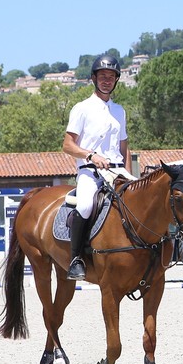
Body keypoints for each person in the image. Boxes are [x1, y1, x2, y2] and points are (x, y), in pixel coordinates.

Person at [61, 54, 133, 281]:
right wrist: (90, 155)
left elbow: (125, 148)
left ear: (116, 80)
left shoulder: (119, 111)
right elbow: (68, 145)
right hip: (90, 172)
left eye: (111, 77)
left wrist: (131, 177)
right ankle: (76, 259)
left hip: (117, 171)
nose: (106, 80)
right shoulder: (81, 108)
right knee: (84, 206)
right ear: (93, 78)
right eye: (102, 76)